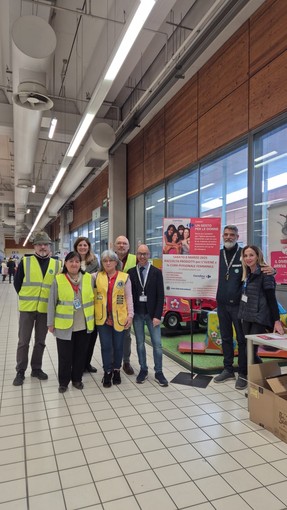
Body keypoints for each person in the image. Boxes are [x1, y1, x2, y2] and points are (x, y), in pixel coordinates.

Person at [214, 225, 275, 390]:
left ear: (237, 236)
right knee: (226, 338)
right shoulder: (217, 256)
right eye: (226, 234)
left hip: (239, 306)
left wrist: (272, 270)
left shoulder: (243, 255)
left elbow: (259, 268)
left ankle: (242, 372)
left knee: (242, 340)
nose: (228, 237)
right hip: (221, 305)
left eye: (232, 235)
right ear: (222, 236)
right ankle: (227, 369)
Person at [13, 231, 61, 386]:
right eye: (40, 244)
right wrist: (26, 296)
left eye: (45, 244)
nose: (43, 247)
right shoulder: (25, 261)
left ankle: (36, 368)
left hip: (45, 309)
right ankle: (20, 371)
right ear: (34, 246)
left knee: (40, 341)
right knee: (23, 341)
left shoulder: (57, 264)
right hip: (27, 308)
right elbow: (17, 283)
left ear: (49, 246)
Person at [48, 251, 95, 393]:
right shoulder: (59, 279)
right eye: (70, 261)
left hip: (84, 323)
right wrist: (50, 322)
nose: (74, 264)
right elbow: (52, 302)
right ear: (65, 263)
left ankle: (77, 379)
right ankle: (63, 382)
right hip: (64, 324)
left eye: (76, 261)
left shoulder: (88, 278)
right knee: (64, 356)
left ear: (80, 263)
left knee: (80, 354)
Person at [238, 245, 284, 373]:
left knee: (251, 351)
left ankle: (264, 374)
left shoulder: (266, 274)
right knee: (248, 350)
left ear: (258, 256)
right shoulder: (248, 273)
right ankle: (259, 376)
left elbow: (271, 299)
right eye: (245, 255)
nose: (248, 258)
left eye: (251, 255)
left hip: (259, 317)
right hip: (246, 316)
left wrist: (277, 320)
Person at [128, 244, 168, 387]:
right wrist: (130, 314)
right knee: (140, 343)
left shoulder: (156, 272)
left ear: (149, 255)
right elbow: (129, 295)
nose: (142, 256)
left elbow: (160, 295)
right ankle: (143, 369)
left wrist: (158, 315)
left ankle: (159, 372)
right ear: (136, 255)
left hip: (152, 315)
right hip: (138, 314)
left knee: (157, 344)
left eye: (145, 254)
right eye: (140, 254)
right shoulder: (131, 272)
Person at [94, 250, 134, 388]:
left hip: (120, 317)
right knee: (106, 346)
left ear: (116, 262)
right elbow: (80, 277)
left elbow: (129, 297)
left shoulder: (125, 277)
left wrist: (130, 315)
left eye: (111, 260)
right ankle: (107, 371)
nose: (108, 263)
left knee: (118, 347)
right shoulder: (97, 276)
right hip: (103, 318)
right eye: (105, 261)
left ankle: (116, 370)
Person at [74, 236, 99, 373]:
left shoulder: (94, 262)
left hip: (91, 303)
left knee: (91, 335)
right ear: (76, 247)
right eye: (80, 245)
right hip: (76, 304)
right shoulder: (72, 261)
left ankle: (87, 363)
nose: (83, 247)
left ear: (88, 247)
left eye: (85, 245)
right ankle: (77, 364)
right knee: (78, 336)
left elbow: (99, 280)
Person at [114, 235, 136, 375]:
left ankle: (126, 362)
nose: (122, 245)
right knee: (112, 335)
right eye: (119, 243)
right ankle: (112, 362)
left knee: (126, 336)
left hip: (128, 303)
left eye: (124, 243)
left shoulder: (135, 259)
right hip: (112, 303)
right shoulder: (108, 258)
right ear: (114, 245)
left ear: (128, 246)